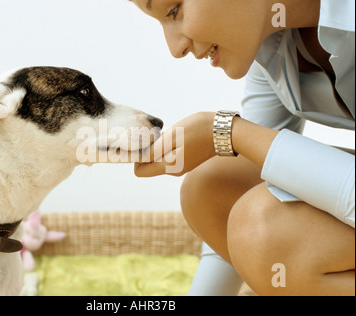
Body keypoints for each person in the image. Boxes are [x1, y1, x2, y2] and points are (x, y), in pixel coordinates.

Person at [130, 0, 355, 295]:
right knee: (212, 184)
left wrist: (227, 130)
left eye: (174, 9)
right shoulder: (273, 42)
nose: (175, 48)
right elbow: (248, 185)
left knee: (266, 227)